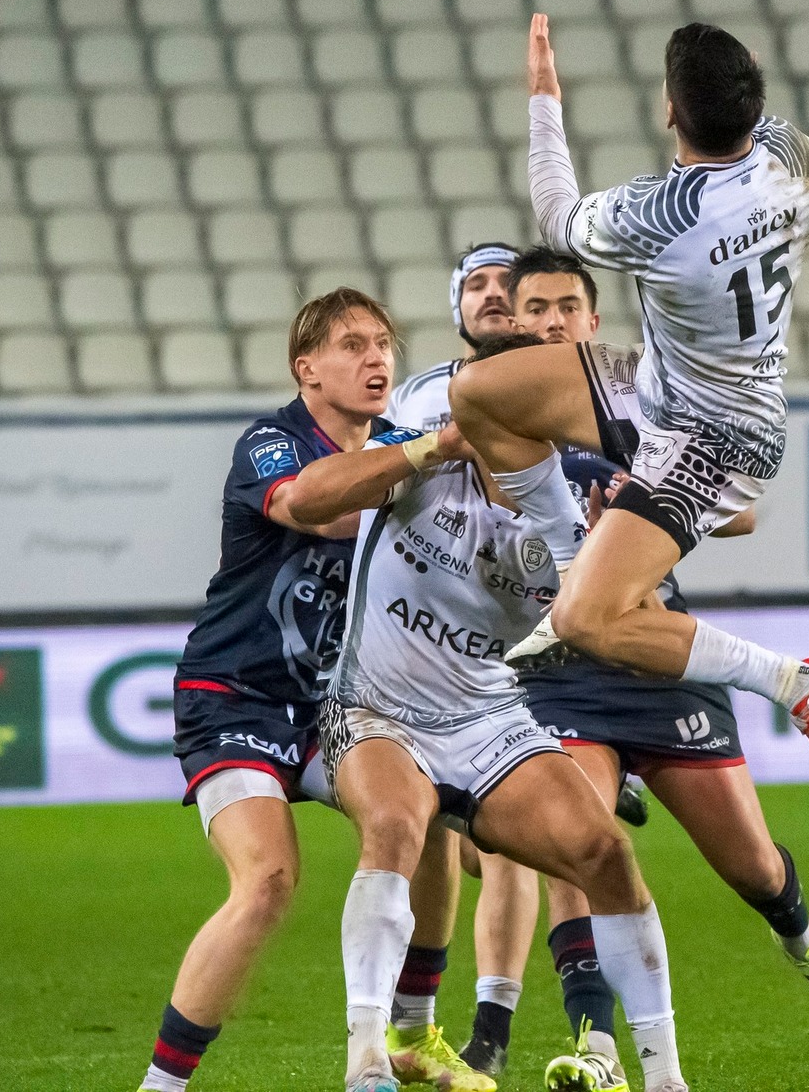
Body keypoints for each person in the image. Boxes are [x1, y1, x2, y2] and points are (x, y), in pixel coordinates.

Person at [446, 16, 809, 790]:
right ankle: (577, 559)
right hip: (659, 384)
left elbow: (555, 216)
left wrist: (543, 100)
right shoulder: (799, 165)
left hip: (715, 437)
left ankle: (800, 681)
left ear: (670, 109)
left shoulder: (660, 215)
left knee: (588, 622)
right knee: (478, 393)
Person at [501, 247, 809, 1092]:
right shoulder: (493, 412)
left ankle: (801, 934)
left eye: (569, 305)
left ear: (593, 323)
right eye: (538, 308)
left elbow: (741, 510)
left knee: (751, 867)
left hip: (656, 654)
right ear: (514, 321)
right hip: (556, 672)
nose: (554, 319)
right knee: (575, 846)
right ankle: (597, 1047)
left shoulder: (639, 404)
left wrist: (644, 496)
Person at [285, 333, 694, 1092]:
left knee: (603, 852)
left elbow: (622, 629)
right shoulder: (417, 463)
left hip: (487, 716)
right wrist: (424, 449)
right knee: (397, 824)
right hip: (374, 707)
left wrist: (625, 560)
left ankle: (666, 1078)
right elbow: (305, 502)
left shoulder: (570, 521)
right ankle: (367, 1060)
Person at [138, 288, 448, 1092]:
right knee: (269, 879)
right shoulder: (272, 442)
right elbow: (318, 511)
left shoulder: (404, 442)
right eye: (353, 344)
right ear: (306, 368)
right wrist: (428, 465)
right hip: (232, 695)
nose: (377, 357)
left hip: (335, 706)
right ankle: (161, 1087)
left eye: (384, 342)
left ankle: (407, 1036)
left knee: (421, 812)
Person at [382, 242, 537, 1088]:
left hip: (529, 644)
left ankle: (490, 1032)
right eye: (474, 284)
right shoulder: (417, 395)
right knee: (457, 836)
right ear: (459, 308)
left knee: (511, 842)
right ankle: (412, 1027)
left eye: (505, 284)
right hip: (437, 640)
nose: (490, 295)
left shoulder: (569, 388)